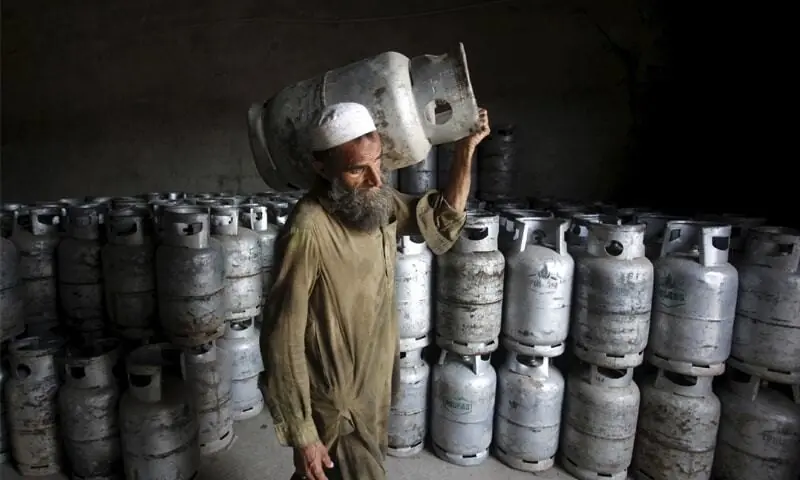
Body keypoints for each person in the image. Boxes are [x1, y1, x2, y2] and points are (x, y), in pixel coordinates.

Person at [261, 102, 490, 480]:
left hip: (375, 384)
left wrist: (466, 149)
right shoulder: (309, 229)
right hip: (339, 402)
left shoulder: (375, 203)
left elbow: (441, 220)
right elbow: (280, 339)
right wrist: (303, 434)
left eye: (378, 162)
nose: (375, 180)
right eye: (356, 169)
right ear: (322, 167)